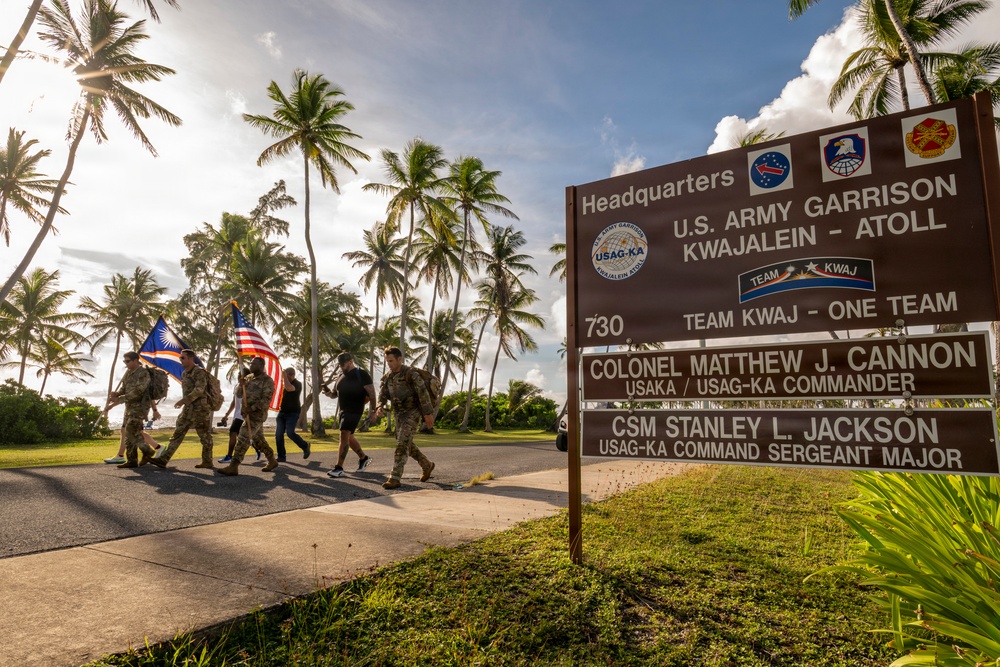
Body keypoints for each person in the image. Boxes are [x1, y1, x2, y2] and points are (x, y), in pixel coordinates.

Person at [374, 346, 435, 489]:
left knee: (402, 444)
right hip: (399, 414)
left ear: (399, 359)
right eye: (387, 361)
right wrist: (379, 406)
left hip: (412, 412)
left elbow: (423, 394)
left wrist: (427, 414)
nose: (389, 363)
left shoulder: (411, 374)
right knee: (407, 443)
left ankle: (394, 477)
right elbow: (382, 395)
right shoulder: (388, 377)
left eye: (391, 361)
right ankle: (427, 465)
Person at [147, 349, 216, 470]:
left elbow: (199, 390)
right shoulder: (184, 373)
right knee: (177, 434)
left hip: (201, 410)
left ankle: (207, 461)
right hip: (188, 409)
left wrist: (183, 400)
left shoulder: (199, 372)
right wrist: (185, 403)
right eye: (180, 358)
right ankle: (164, 459)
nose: (181, 360)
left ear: (191, 358)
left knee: (205, 436)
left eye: (183, 358)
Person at [217, 356, 279, 476]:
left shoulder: (267, 380)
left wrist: (251, 408)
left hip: (258, 415)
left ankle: (233, 465)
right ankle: (272, 460)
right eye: (251, 364)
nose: (251, 366)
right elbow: (240, 395)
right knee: (258, 440)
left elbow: (266, 400)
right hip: (247, 415)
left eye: (254, 364)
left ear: (261, 366)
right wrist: (241, 385)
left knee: (243, 437)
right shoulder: (248, 378)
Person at [322, 352, 375, 478]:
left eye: (343, 364)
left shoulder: (361, 374)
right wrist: (328, 392)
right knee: (348, 436)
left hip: (355, 409)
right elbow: (335, 394)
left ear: (350, 362)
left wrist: (373, 411)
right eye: (340, 365)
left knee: (344, 433)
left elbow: (372, 394)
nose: (341, 367)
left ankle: (339, 467)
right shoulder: (340, 376)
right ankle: (363, 458)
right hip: (343, 411)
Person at [105, 352, 159, 468]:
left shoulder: (143, 373)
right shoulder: (128, 373)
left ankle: (148, 450)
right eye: (124, 361)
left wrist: (119, 399)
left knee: (130, 431)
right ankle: (132, 460)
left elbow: (139, 391)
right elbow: (124, 389)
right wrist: (116, 394)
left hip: (139, 407)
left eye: (128, 361)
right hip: (129, 407)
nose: (126, 363)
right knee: (128, 432)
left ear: (135, 361)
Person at [217, 369, 262, 463]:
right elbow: (234, 402)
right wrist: (226, 415)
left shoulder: (249, 387)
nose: (239, 376)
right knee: (242, 436)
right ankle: (257, 447)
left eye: (241, 375)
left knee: (232, 432)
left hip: (243, 415)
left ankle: (229, 456)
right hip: (237, 415)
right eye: (238, 374)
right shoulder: (237, 386)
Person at [274, 367, 310, 462]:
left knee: (290, 433)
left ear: (291, 375)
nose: (285, 377)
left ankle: (305, 446)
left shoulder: (298, 384)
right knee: (278, 434)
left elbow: (289, 388)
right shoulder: (283, 385)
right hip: (282, 413)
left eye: (287, 375)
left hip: (293, 413)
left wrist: (284, 376)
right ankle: (281, 456)